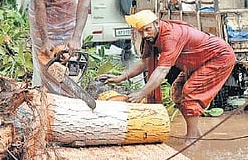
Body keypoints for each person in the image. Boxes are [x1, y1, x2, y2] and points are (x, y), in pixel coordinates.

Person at [100, 10, 235, 145]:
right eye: (141, 32)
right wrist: (120, 77)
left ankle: (193, 137)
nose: (145, 34)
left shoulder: (170, 36)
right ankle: (195, 133)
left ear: (157, 24)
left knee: (190, 91)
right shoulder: (151, 37)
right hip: (197, 62)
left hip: (219, 57)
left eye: (147, 30)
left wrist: (141, 93)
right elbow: (144, 62)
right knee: (177, 92)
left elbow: (162, 70)